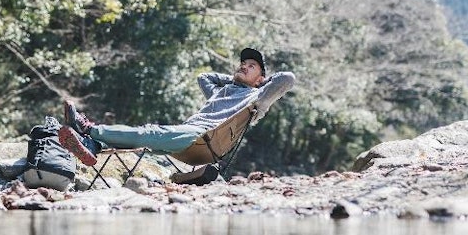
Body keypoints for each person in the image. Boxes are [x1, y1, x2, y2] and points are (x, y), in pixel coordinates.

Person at [58, 48, 295, 166]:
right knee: (147, 136)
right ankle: (92, 145)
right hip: (189, 134)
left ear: (261, 79)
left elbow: (287, 78)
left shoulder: (257, 99)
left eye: (251, 66)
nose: (243, 66)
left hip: (206, 140)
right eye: (242, 63)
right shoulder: (220, 93)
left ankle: (88, 129)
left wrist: (259, 83)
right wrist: (234, 80)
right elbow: (204, 77)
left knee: (151, 132)